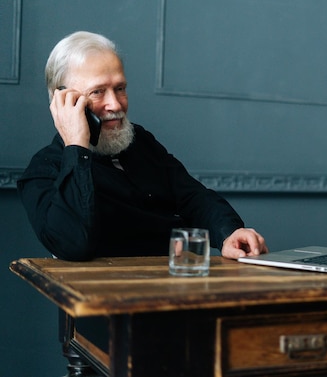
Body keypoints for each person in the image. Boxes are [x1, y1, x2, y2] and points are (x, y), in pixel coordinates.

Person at [18, 31, 268, 261]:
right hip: (106, 302)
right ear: (61, 99)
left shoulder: (140, 142)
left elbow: (192, 195)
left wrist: (229, 232)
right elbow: (73, 245)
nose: (115, 104)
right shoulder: (42, 171)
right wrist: (77, 147)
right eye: (97, 92)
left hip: (174, 289)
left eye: (120, 88)